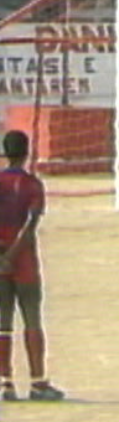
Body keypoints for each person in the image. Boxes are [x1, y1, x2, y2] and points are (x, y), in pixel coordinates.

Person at [0, 130, 65, 400]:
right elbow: (31, 223)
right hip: (24, 259)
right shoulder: (33, 184)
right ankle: (38, 382)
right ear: (27, 153)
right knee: (32, 318)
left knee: (2, 322)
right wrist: (13, 255)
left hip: (0, 259)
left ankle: (6, 383)